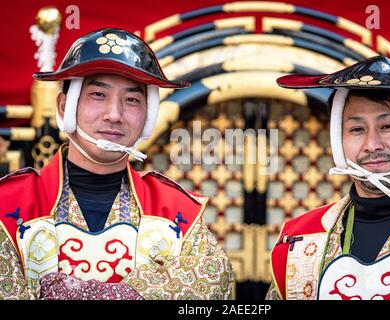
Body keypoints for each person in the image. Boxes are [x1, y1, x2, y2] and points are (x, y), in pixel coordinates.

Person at [0, 28, 233, 300]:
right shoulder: (7, 205)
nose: (114, 114)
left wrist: (102, 294)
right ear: (65, 107)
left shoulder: (178, 212)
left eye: (132, 100)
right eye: (98, 95)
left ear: (149, 115)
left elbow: (214, 280)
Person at [266, 55, 390, 300]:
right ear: (337, 139)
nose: (372, 144)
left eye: (387, 127)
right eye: (356, 129)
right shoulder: (297, 240)